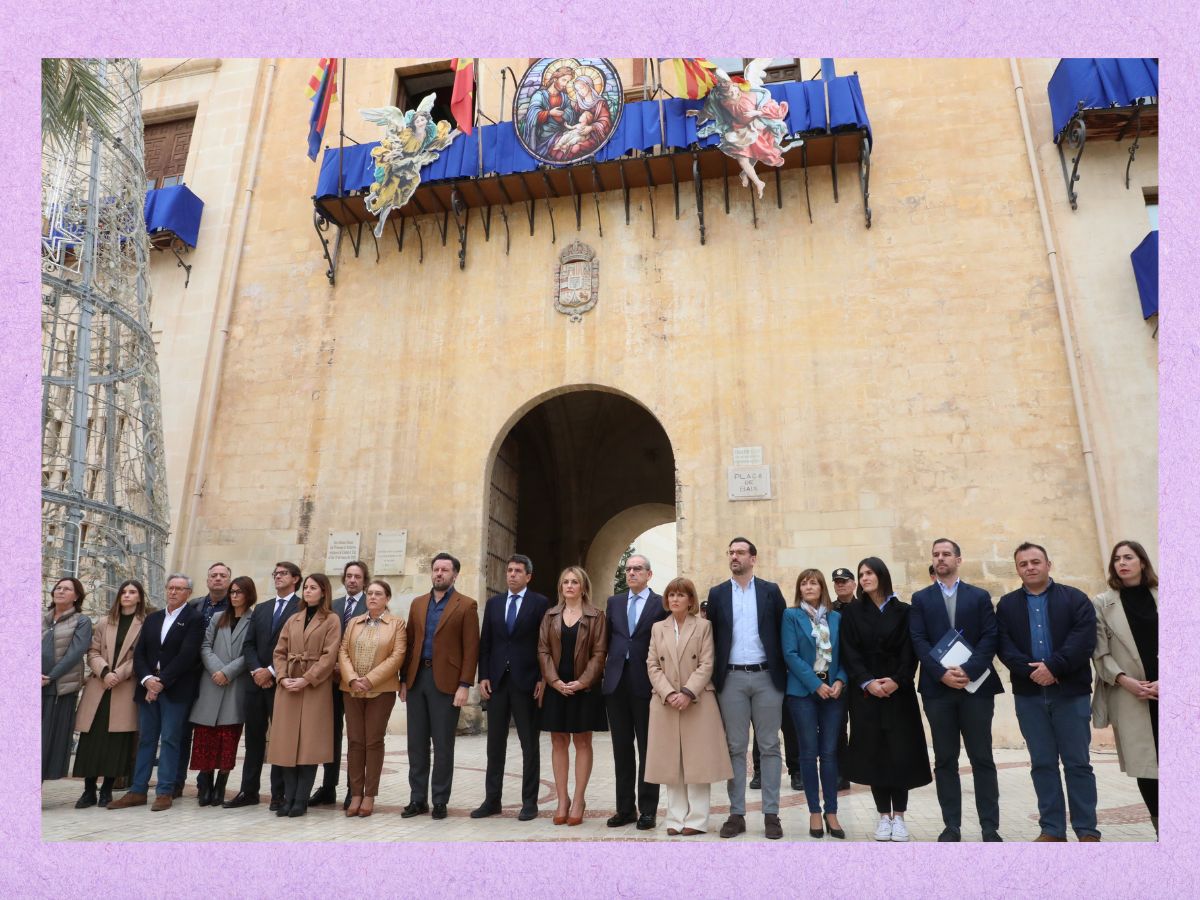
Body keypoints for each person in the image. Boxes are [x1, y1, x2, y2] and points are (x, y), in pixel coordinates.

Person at [996, 542, 1100, 842]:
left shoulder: (1075, 598)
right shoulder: (1007, 605)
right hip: (1029, 696)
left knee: (1078, 763)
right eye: (1023, 564)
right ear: (1017, 569)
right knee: (1042, 763)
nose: (1030, 567)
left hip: (1071, 694)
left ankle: (1087, 829)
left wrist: (1053, 666)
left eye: (1035, 562)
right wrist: (1032, 672)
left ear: (1048, 564)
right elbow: (1004, 647)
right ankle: (1052, 829)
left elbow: (1083, 640)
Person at [909, 539, 1004, 842]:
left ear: (958, 560)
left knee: (982, 758)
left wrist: (969, 669)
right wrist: (941, 673)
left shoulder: (978, 596)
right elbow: (918, 639)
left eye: (946, 554)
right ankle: (952, 825)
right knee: (945, 759)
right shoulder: (921, 598)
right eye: (936, 555)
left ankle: (990, 827)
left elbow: (991, 636)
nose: (940, 559)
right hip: (938, 690)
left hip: (975, 688)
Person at [840, 557, 932, 841]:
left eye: (869, 573)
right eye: (861, 574)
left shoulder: (905, 611)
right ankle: (883, 817)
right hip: (867, 694)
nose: (864, 577)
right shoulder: (852, 612)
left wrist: (897, 680)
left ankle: (900, 817)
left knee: (899, 754)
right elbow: (849, 651)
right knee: (875, 754)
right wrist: (867, 681)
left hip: (898, 693)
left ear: (882, 575)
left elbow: (911, 650)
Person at [706, 537, 788, 840]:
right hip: (732, 680)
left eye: (740, 552)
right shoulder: (717, 594)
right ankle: (736, 814)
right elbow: (712, 637)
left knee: (769, 746)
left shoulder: (770, 591)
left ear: (753, 558)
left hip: (767, 677)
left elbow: (782, 631)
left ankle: (771, 815)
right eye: (731, 552)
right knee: (735, 748)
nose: (734, 556)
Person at [109, 574, 205, 811]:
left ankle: (165, 791)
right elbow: (139, 653)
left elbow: (187, 655)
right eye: (170, 588)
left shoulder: (194, 619)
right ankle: (138, 790)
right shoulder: (153, 618)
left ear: (188, 593)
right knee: (146, 740)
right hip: (147, 687)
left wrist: (161, 682)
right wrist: (147, 680)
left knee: (171, 739)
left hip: (175, 690)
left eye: (179, 589)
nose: (173, 592)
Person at [644, 577, 732, 835]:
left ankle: (697, 820)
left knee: (697, 763)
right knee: (672, 763)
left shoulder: (703, 626)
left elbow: (707, 663)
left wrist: (686, 692)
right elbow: (652, 664)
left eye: (680, 595)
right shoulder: (658, 627)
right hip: (665, 702)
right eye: (671, 594)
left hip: (698, 700)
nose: (674, 599)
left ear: (691, 600)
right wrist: (670, 693)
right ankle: (674, 819)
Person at [399, 552, 480, 820]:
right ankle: (417, 799)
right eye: (436, 569)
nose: (439, 573)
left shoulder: (466, 605)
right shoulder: (418, 603)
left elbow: (471, 649)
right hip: (417, 680)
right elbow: (409, 644)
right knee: (416, 744)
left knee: (443, 745)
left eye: (445, 570)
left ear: (455, 574)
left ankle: (440, 800)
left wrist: (464, 685)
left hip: (446, 684)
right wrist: (403, 681)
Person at [473, 554, 550, 821]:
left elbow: (545, 643)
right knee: (494, 744)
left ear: (528, 576)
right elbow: (486, 643)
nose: (512, 575)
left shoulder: (540, 603)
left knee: (529, 744)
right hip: (497, 682)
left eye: (518, 571)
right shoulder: (494, 604)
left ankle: (529, 802)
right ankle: (492, 800)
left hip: (527, 681)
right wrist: (483, 675)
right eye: (509, 570)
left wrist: (543, 677)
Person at [1092, 540, 1159, 835]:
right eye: (1117, 558)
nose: (1122, 563)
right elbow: (1099, 653)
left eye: (1129, 557)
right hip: (1132, 695)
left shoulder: (1167, 595)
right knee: (1146, 767)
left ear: (1142, 562)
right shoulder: (1102, 603)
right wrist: (1124, 680)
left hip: (1174, 694)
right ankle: (1162, 830)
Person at [224, 561, 300, 809]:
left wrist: (270, 671)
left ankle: (278, 794)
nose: (278, 577)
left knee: (279, 740)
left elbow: (295, 649)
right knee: (254, 739)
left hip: (280, 683)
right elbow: (249, 644)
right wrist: (257, 670)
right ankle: (249, 791)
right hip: (254, 683)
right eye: (275, 573)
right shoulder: (262, 608)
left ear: (296, 579)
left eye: (283, 574)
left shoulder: (301, 607)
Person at [602, 553, 668, 830]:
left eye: (637, 569)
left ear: (649, 574)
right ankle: (625, 808)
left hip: (646, 684)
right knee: (621, 750)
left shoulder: (660, 604)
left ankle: (648, 810)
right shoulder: (614, 603)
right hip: (616, 684)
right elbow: (606, 641)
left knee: (647, 748)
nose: (631, 573)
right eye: (628, 569)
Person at [538, 566, 608, 826]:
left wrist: (582, 682)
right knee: (558, 742)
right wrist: (554, 681)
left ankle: (578, 799)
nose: (569, 586)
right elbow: (543, 651)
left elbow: (600, 654)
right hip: (557, 687)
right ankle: (562, 800)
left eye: (574, 582)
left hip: (584, 688)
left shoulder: (596, 616)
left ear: (583, 587)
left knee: (582, 742)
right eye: (565, 582)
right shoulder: (550, 615)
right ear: (561, 587)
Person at [267, 573, 341, 818]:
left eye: (313, 588)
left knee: (308, 746)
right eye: (306, 587)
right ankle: (287, 798)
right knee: (286, 746)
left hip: (314, 689)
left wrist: (307, 678)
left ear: (323, 592)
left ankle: (301, 799)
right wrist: (282, 677)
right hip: (288, 687)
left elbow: (330, 656)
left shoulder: (331, 620)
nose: (307, 591)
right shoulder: (294, 619)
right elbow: (279, 651)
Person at [781, 569, 847, 839]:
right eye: (804, 583)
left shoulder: (836, 618)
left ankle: (832, 811)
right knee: (808, 754)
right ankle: (814, 813)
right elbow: (790, 653)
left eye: (814, 582)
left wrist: (840, 680)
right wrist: (815, 684)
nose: (809, 586)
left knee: (830, 754)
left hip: (832, 693)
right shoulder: (791, 615)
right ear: (799, 589)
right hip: (803, 692)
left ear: (822, 588)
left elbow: (845, 653)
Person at [73, 580, 147, 808]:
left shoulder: (145, 624)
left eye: (132, 592)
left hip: (124, 686)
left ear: (139, 597)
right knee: (92, 737)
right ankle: (88, 791)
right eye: (123, 591)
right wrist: (105, 672)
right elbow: (92, 651)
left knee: (117, 740)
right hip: (100, 685)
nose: (126, 595)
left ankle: (107, 790)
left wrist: (119, 674)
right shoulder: (105, 622)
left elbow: (142, 656)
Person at [339, 578, 405, 818]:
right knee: (355, 741)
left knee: (373, 741)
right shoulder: (355, 622)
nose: (373, 597)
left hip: (381, 691)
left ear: (387, 598)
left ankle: (369, 794)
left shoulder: (396, 624)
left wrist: (371, 679)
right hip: (352, 689)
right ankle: (356, 793)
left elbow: (397, 656)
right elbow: (343, 651)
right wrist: (352, 678)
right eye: (370, 594)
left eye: (378, 594)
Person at [188, 575, 256, 807]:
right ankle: (205, 785)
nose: (235, 596)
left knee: (228, 738)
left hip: (235, 684)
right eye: (232, 592)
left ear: (248, 595)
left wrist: (228, 672)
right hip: (211, 682)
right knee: (205, 737)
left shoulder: (253, 619)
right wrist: (217, 669)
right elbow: (205, 645)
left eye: (239, 592)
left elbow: (251, 651)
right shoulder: (218, 617)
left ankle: (221, 786)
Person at [314, 559, 369, 810]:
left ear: (364, 581)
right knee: (330, 734)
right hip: (330, 680)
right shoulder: (332, 606)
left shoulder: (371, 605)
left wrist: (347, 669)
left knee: (357, 737)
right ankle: (328, 786)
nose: (352, 580)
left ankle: (354, 789)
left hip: (357, 681)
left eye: (357, 576)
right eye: (348, 576)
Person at [175, 562, 231, 798]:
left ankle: (205, 782)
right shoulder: (194, 605)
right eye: (213, 575)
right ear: (207, 580)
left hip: (219, 675)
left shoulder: (236, 607)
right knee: (182, 730)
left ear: (229, 580)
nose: (217, 579)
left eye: (222, 575)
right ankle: (176, 781)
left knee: (212, 731)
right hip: (189, 673)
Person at [42, 576, 94, 782]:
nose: (60, 591)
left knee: (46, 739)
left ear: (76, 596)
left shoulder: (82, 621)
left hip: (58, 689)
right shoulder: (40, 618)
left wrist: (50, 677)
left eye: (66, 589)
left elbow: (75, 653)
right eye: (58, 587)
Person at [830, 567, 856, 792]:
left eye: (844, 581)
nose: (840, 585)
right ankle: (842, 773)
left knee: (864, 725)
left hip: (860, 676)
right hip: (838, 675)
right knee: (838, 727)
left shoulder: (864, 607)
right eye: (837, 582)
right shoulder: (829, 610)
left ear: (853, 583)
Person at [521, 65, 579, 159]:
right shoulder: (539, 95)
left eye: (568, 82)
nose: (565, 84)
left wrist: (564, 115)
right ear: (555, 79)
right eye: (564, 80)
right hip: (542, 136)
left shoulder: (565, 97)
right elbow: (532, 114)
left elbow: (571, 115)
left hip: (560, 133)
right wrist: (549, 113)